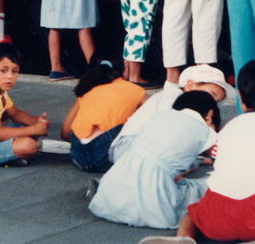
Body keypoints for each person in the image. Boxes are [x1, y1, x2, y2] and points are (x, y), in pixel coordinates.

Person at [168, 59, 255, 243]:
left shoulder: (229, 127)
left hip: (214, 219)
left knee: (190, 216)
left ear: (239, 96)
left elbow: (216, 159)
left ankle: (183, 239)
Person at [89, 90, 220, 229]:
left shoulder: (159, 117)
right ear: (209, 116)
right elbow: (224, 155)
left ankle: (109, 192)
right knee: (205, 186)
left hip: (111, 193)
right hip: (154, 203)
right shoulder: (204, 129)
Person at [109, 63, 233, 164]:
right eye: (211, 95)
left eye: (216, 101)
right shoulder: (173, 94)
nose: (211, 102)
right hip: (129, 145)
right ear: (189, 85)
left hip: (144, 150)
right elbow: (165, 126)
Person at [60, 54, 147, 173]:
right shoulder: (137, 90)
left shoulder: (87, 89)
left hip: (78, 158)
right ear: (125, 70)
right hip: (106, 158)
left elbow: (65, 133)